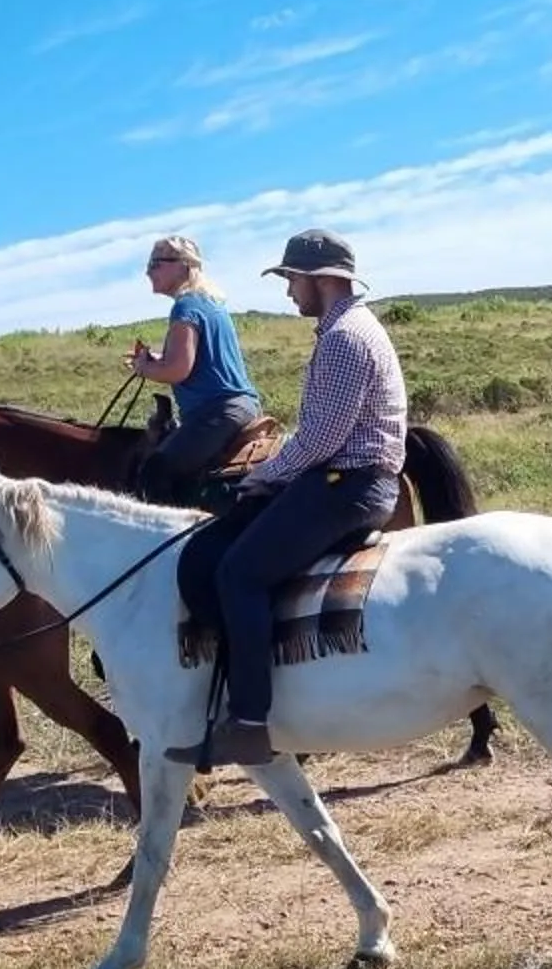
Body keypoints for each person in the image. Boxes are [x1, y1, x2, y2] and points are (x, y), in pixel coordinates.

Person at [171, 227, 406, 768]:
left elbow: (322, 439)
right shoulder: (346, 330)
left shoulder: (346, 338)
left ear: (320, 281)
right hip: (342, 480)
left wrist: (265, 476)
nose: (288, 292)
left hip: (348, 485)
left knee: (239, 574)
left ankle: (251, 721)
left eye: (292, 280)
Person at [125, 233, 264, 504]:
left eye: (155, 263)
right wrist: (155, 359)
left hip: (217, 412)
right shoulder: (208, 302)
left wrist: (143, 368)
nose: (148, 271)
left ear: (183, 265)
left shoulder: (185, 307)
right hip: (237, 407)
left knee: (155, 471)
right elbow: (197, 359)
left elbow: (178, 370)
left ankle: (168, 542)